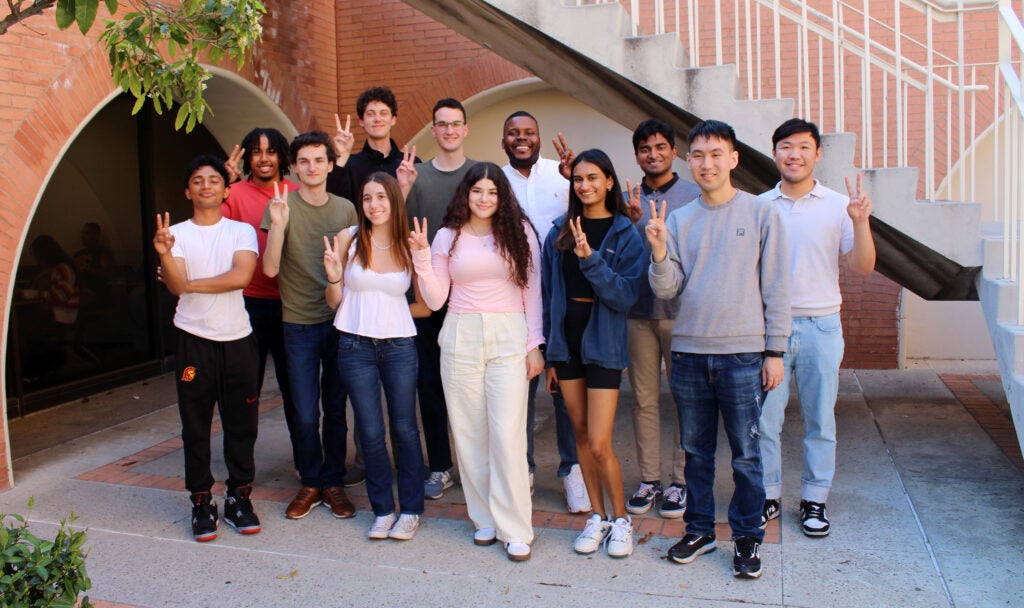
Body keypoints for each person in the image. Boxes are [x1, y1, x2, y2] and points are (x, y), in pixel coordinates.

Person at [647, 120, 791, 579]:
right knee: (696, 452)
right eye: (698, 155)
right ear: (689, 162)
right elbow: (669, 289)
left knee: (747, 455)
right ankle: (701, 530)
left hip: (745, 356)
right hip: (689, 353)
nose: (706, 163)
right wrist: (658, 252)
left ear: (733, 159)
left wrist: (775, 351)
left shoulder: (761, 213)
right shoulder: (679, 218)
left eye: (715, 154)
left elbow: (777, 287)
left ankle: (747, 536)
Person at [411, 162, 543, 562]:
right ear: (464, 194)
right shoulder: (448, 236)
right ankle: (484, 518)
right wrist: (420, 256)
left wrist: (534, 344)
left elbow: (532, 292)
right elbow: (434, 299)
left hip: (508, 335)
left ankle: (516, 527)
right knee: (469, 432)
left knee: (507, 434)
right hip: (459, 335)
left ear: (501, 197)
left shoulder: (519, 233)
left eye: (492, 192)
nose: (484, 199)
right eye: (477, 191)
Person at [758, 118, 876, 537]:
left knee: (820, 419)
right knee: (765, 420)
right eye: (786, 146)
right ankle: (767, 494)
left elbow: (862, 266)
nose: (794, 155)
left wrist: (861, 221)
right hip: (771, 330)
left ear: (817, 154)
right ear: (774, 153)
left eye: (804, 147)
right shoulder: (760, 206)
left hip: (822, 326)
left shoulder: (838, 204)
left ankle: (814, 501)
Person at [152, 155, 260, 542]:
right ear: (188, 190)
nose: (206, 185)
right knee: (195, 426)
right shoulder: (176, 233)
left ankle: (239, 497)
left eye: (213, 180)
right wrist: (165, 253)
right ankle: (201, 501)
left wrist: (188, 281)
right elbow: (176, 285)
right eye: (197, 180)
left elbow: (241, 276)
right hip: (193, 341)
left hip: (238, 340)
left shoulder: (241, 231)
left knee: (241, 425)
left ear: (225, 190)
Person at [542, 149, 644, 559]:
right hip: (566, 345)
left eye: (593, 178)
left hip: (603, 344)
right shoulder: (558, 232)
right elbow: (549, 295)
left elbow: (625, 295)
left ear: (608, 182)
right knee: (580, 435)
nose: (584, 186)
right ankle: (597, 517)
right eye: (578, 179)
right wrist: (550, 353)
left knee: (600, 442)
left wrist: (591, 259)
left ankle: (622, 520)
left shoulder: (624, 233)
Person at [262, 131, 359, 521]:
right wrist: (280, 223)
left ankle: (332, 480)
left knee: (336, 408)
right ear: (294, 167)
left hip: (341, 322)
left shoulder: (347, 210)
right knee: (304, 410)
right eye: (303, 161)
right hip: (298, 324)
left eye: (319, 160)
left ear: (331, 164)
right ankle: (310, 480)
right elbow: (269, 269)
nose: (312, 167)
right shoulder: (281, 206)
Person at [324, 172, 426, 541]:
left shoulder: (407, 242)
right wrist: (335, 278)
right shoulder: (347, 238)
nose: (374, 205)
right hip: (354, 344)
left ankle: (411, 509)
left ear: (394, 201)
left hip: (399, 345)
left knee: (405, 430)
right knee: (369, 432)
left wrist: (389, 310)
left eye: (381, 197)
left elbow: (428, 302)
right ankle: (383, 509)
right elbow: (335, 303)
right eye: (367, 198)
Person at [500, 110, 588, 513]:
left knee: (566, 392)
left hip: (561, 299)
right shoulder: (495, 181)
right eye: (514, 133)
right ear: (504, 140)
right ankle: (524, 471)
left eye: (529, 132)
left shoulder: (562, 173)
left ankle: (573, 472)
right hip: (513, 301)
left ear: (538, 137)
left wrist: (573, 182)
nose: (522, 138)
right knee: (518, 394)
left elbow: (586, 215)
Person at [622, 119, 700, 519]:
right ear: (636, 154)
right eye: (644, 149)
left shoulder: (693, 194)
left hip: (682, 314)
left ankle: (680, 481)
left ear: (674, 151)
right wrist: (631, 219)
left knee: (685, 400)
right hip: (638, 314)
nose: (653, 154)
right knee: (644, 400)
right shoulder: (624, 197)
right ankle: (650, 479)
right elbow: (619, 253)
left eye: (660, 147)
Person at [405, 98, 477, 500]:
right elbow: (397, 228)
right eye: (442, 125)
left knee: (469, 385)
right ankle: (440, 465)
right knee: (429, 383)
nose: (449, 131)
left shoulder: (482, 174)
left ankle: (473, 464)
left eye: (456, 124)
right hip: (427, 295)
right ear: (433, 130)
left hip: (470, 296)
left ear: (465, 129)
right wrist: (400, 189)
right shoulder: (414, 176)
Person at [220, 128, 300, 473]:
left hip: (291, 306)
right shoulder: (233, 194)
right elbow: (210, 235)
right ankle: (241, 465)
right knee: (244, 389)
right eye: (256, 151)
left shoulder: (297, 194)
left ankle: (305, 460)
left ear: (282, 156)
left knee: (295, 389)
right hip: (246, 305)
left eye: (270, 151)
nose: (264, 158)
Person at [327, 86, 420, 203]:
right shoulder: (350, 165)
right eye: (371, 114)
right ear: (361, 121)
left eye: (383, 113)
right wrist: (342, 157)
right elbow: (332, 202)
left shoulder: (411, 165)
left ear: (393, 119)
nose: (377, 119)